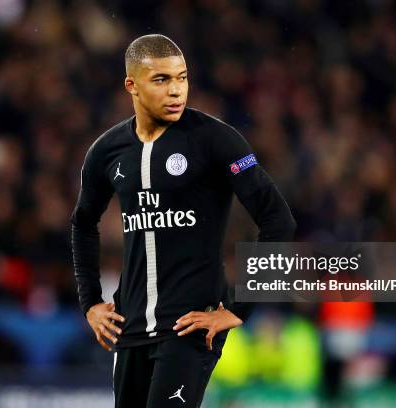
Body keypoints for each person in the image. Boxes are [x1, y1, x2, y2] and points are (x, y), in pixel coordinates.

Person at [70, 34, 296, 407]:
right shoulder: (107, 151)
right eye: (162, 80)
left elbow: (278, 219)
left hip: (191, 327)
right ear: (132, 85)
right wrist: (90, 302)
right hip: (130, 328)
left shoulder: (216, 140)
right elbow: (82, 223)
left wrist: (239, 308)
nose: (176, 91)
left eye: (182, 78)